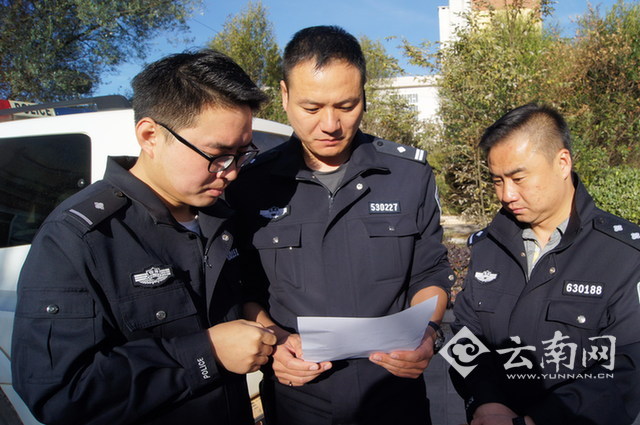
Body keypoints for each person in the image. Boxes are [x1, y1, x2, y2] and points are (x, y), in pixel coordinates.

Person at [11, 49, 278, 425]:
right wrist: (207, 353)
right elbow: (60, 394)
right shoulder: (79, 238)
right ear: (150, 136)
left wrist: (264, 325)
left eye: (241, 153)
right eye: (217, 154)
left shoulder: (220, 218)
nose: (231, 172)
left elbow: (236, 296)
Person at [226, 25, 454, 425]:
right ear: (284, 96)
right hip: (298, 398)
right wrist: (277, 341)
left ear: (364, 95)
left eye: (346, 106)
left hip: (393, 393)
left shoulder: (408, 174)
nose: (330, 124)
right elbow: (244, 288)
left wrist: (428, 334)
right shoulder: (251, 184)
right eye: (312, 108)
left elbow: (430, 272)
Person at [450, 103, 640, 425]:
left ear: (562, 163)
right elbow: (463, 335)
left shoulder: (623, 254)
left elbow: (628, 368)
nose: (506, 194)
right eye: (497, 181)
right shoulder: (488, 246)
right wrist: (486, 401)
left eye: (518, 178)